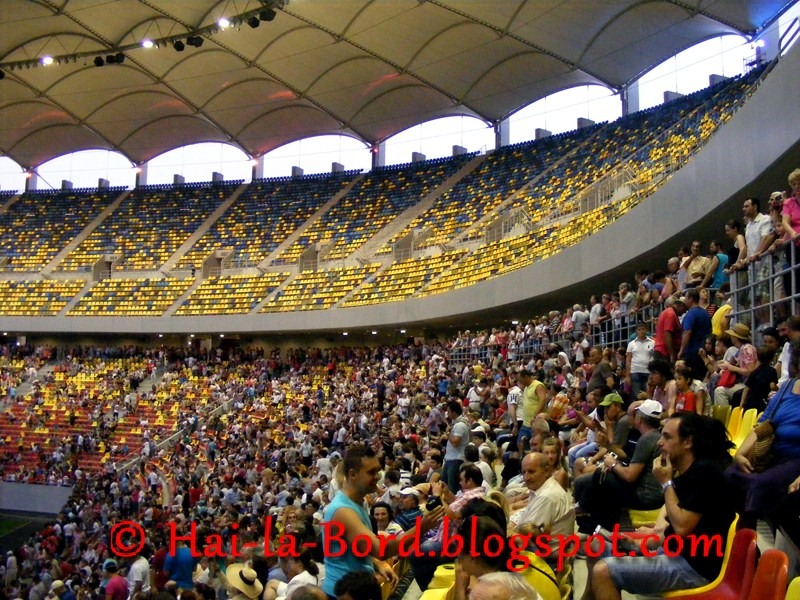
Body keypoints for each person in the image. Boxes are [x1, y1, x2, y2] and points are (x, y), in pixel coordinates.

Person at [583, 412, 735, 599]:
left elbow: (682, 528)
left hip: (695, 568)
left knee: (603, 571)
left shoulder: (705, 472)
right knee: (596, 545)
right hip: (675, 552)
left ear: (687, 442)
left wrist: (666, 483)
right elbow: (674, 529)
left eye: (667, 437)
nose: (659, 442)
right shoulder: (687, 473)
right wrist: (639, 543)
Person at [320, 444, 442, 598]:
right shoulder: (342, 511)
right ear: (352, 474)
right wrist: (421, 528)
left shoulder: (358, 502)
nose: (378, 477)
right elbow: (381, 550)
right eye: (371, 472)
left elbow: (355, 547)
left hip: (358, 588)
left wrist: (376, 564)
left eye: (378, 470)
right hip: (344, 594)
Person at [727, 339, 800, 527]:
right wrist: (742, 453)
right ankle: (738, 538)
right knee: (731, 474)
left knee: (759, 485)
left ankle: (746, 540)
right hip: (772, 454)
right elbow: (763, 422)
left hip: (796, 459)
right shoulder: (787, 387)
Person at [574, 400, 663, 532]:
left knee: (602, 476)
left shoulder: (647, 438)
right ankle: (587, 519)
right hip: (650, 492)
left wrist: (613, 464)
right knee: (597, 479)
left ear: (640, 418)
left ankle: (588, 517)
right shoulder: (655, 436)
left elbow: (630, 476)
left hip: (645, 496)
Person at [510, 452, 574, 564]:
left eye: (531, 472)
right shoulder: (543, 489)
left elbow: (525, 535)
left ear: (546, 471)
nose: (526, 478)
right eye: (523, 472)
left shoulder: (546, 497)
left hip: (545, 561)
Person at [714, 323, 756, 406]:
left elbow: (751, 371)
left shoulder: (747, 349)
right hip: (742, 382)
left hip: (747, 384)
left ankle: (725, 417)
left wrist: (732, 367)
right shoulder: (741, 349)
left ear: (736, 337)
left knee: (719, 391)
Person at [678, 288, 712, 381]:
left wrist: (681, 350)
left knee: (693, 380)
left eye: (686, 298)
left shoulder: (691, 314)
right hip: (704, 352)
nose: (684, 300)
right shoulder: (705, 313)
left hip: (693, 352)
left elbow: (687, 332)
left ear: (691, 299)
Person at [443, 400, 471, 493]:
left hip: (456, 459)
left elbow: (455, 442)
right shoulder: (456, 424)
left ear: (454, 412)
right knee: (445, 487)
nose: (448, 414)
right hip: (450, 458)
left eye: (449, 412)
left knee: (452, 489)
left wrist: (448, 433)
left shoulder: (460, 425)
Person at [626, 322, 654, 400]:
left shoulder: (652, 343)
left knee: (648, 394)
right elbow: (628, 360)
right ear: (636, 331)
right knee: (636, 395)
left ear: (646, 330)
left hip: (648, 371)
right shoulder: (631, 344)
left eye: (643, 329)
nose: (641, 331)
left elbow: (654, 357)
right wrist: (627, 375)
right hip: (635, 371)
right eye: (639, 329)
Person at [653, 297, 683, 362]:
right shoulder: (671, 314)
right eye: (684, 308)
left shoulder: (666, 312)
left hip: (661, 350)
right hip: (664, 352)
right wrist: (672, 354)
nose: (685, 311)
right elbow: (667, 334)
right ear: (680, 305)